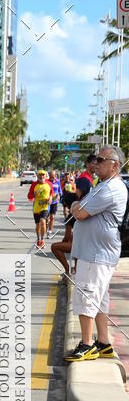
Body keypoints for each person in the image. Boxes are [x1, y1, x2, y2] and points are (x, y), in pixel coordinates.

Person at [64, 146, 128, 362]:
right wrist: (78, 205)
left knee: (87, 295)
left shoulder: (110, 188)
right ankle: (103, 342)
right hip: (96, 252)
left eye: (101, 160)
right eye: (95, 159)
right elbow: (82, 208)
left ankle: (87, 344)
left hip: (96, 253)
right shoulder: (104, 185)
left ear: (114, 165)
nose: (95, 163)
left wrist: (75, 204)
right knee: (99, 298)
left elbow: (80, 212)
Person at [27, 169, 52, 249]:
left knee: (43, 221)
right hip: (36, 207)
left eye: (43, 175)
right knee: (38, 225)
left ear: (45, 176)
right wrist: (34, 194)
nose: (41, 177)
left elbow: (52, 193)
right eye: (40, 175)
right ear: (38, 176)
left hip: (45, 207)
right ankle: (38, 239)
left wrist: (50, 198)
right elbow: (29, 196)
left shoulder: (49, 184)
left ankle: (42, 240)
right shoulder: (34, 184)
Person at [47, 170, 61, 238]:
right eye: (51, 176)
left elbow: (60, 190)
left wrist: (59, 195)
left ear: (55, 175)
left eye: (53, 176)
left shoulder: (57, 182)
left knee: (52, 217)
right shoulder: (46, 182)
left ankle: (50, 231)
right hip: (47, 202)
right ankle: (45, 228)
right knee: (46, 218)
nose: (52, 177)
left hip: (54, 202)